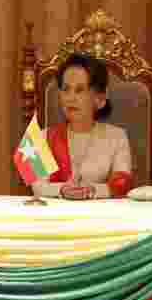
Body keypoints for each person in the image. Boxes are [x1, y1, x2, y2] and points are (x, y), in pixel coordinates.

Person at [32, 53, 133, 200]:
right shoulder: (41, 137)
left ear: (100, 99)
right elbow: (38, 187)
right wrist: (62, 190)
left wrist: (92, 190)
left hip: (102, 218)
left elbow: (122, 183)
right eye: (66, 89)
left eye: (79, 90)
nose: (70, 98)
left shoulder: (117, 137)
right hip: (55, 218)